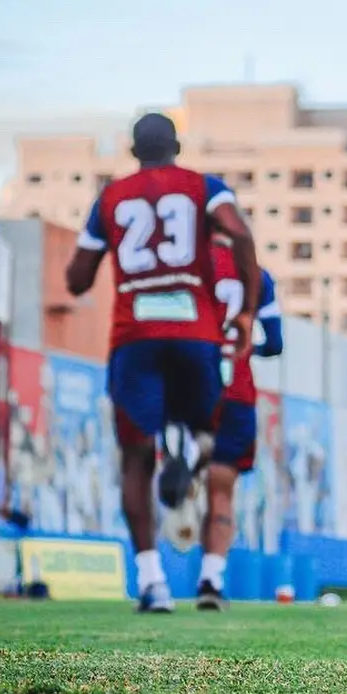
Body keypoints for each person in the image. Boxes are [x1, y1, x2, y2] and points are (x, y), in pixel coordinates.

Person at [65, 112, 259, 614]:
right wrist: (246, 312)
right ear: (177, 147)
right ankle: (190, 454)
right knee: (209, 430)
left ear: (133, 152)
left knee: (135, 456)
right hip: (195, 332)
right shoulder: (204, 187)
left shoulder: (112, 197)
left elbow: (77, 279)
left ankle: (152, 580)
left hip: (136, 336)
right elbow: (239, 233)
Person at [201, 236, 281, 609]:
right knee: (222, 490)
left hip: (193, 387)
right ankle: (211, 578)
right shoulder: (257, 276)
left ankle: (184, 462)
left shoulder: (190, 265)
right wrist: (248, 350)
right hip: (236, 390)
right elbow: (275, 343)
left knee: (187, 471)